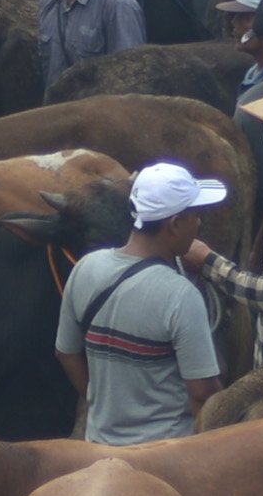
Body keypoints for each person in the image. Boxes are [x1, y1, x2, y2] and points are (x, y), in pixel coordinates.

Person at [60, 166, 229, 441]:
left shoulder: (85, 268)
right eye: (196, 215)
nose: (199, 224)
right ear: (174, 224)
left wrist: (102, 404)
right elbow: (202, 394)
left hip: (99, 447)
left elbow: (66, 353)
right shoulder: (181, 296)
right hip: (164, 456)